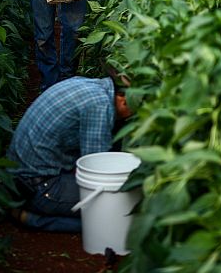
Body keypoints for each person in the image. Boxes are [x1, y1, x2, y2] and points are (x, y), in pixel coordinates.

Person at [7, 75, 132, 233]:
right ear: (123, 99)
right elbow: (98, 169)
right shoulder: (99, 105)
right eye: (132, 111)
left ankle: (25, 208)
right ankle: (33, 219)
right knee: (118, 212)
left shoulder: (88, 85)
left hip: (19, 178)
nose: (129, 117)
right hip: (38, 187)